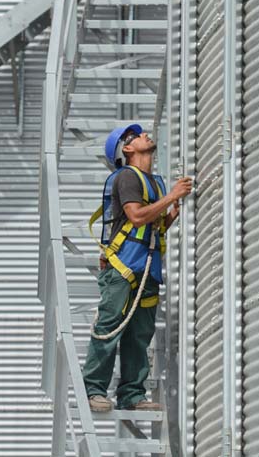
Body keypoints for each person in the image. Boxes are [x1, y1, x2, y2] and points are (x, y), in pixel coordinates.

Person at [82, 124, 193, 412]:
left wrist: (169, 216)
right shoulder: (128, 178)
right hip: (123, 268)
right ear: (127, 150)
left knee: (139, 334)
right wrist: (171, 198)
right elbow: (137, 217)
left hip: (147, 268)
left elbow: (153, 227)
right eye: (135, 136)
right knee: (110, 327)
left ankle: (131, 395)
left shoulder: (154, 182)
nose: (144, 135)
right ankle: (93, 390)